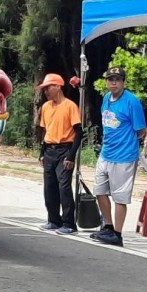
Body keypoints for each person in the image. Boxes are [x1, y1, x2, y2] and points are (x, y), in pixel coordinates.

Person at [92, 66, 147, 247]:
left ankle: (117, 233)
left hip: (124, 156)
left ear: (123, 82)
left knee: (120, 197)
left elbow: (141, 130)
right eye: (110, 79)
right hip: (106, 153)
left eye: (117, 79)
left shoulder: (132, 102)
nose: (113, 82)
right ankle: (107, 226)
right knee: (100, 191)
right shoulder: (107, 98)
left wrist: (127, 143)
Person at [36, 73, 82, 234]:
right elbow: (44, 131)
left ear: (58, 86)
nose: (46, 91)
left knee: (64, 187)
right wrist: (41, 152)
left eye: (48, 88)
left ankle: (69, 223)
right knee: (49, 187)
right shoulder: (46, 107)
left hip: (64, 149)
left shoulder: (70, 106)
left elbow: (79, 132)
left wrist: (71, 156)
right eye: (45, 89)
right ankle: (53, 219)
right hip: (49, 149)